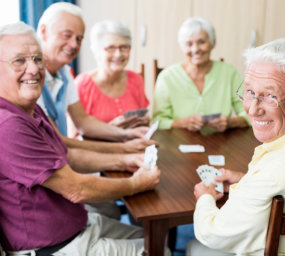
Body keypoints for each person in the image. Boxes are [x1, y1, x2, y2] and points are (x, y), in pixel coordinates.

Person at [0, 21, 165, 256]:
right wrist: (136, 184)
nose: (34, 69)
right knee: (160, 250)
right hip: (56, 247)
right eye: (19, 61)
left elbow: (68, 154)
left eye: (37, 59)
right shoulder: (8, 124)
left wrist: (123, 160)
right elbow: (76, 189)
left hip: (79, 225)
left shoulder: (30, 107)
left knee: (153, 239)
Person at [186, 38, 285, 255]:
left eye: (271, 96)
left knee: (195, 247)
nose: (252, 110)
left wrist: (204, 196)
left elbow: (213, 233)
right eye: (250, 92)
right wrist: (247, 181)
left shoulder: (277, 169)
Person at [36, 2, 155, 154]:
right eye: (67, 35)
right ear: (44, 32)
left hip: (61, 158)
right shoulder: (31, 76)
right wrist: (123, 147)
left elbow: (83, 121)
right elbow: (60, 139)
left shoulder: (65, 73)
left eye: (79, 39)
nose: (73, 44)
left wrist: (125, 134)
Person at [153, 17, 248, 132]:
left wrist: (231, 122)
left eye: (201, 42)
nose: (195, 49)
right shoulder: (166, 77)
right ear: (182, 47)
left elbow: (250, 113)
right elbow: (157, 121)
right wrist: (182, 123)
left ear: (213, 43)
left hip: (221, 143)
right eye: (188, 44)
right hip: (179, 142)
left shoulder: (229, 72)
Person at [75, 20, 150, 129]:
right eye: (110, 48)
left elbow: (144, 124)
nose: (118, 54)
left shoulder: (136, 79)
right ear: (96, 52)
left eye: (124, 47)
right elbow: (75, 138)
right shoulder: (81, 85)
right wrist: (109, 130)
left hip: (135, 144)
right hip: (98, 146)